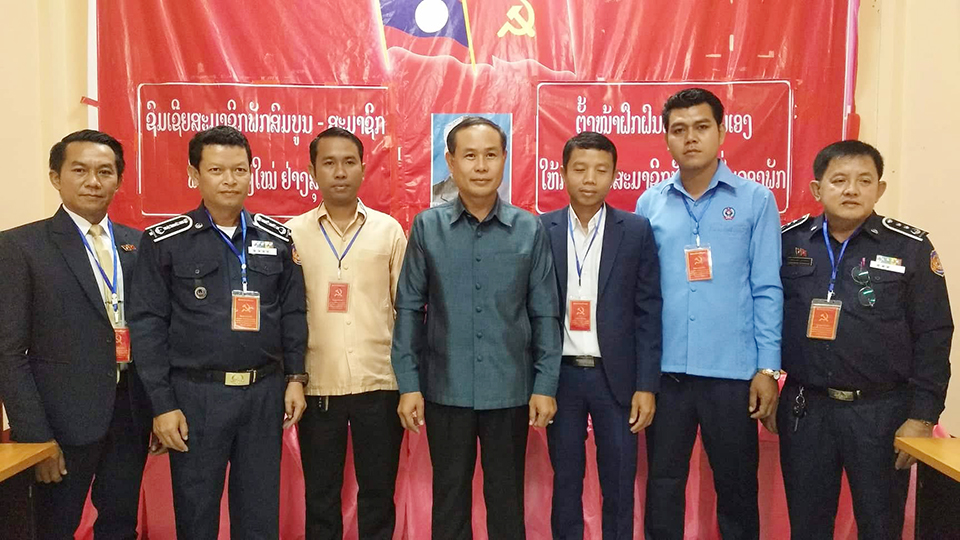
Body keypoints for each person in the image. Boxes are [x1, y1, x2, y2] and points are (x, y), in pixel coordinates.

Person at [128, 125, 309, 540]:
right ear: (195, 175)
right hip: (196, 396)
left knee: (259, 517)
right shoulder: (165, 241)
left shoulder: (278, 239)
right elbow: (148, 326)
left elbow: (294, 312)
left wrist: (296, 378)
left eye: (239, 169)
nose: (230, 179)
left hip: (263, 393)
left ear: (251, 173)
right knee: (196, 516)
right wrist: (162, 404)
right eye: (216, 170)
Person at [391, 115, 562, 540]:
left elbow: (545, 314)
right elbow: (409, 309)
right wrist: (409, 385)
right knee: (449, 501)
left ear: (504, 159)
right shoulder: (427, 227)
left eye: (490, 155)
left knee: (507, 502)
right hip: (445, 389)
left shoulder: (529, 228)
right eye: (469, 156)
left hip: (511, 389)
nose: (481, 166)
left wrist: (545, 384)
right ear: (450, 163)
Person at [775, 140, 953, 540]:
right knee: (807, 526)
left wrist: (923, 417)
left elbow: (934, 334)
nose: (851, 190)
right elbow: (763, 314)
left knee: (879, 526)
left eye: (864, 180)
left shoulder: (910, 247)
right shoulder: (789, 242)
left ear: (880, 188)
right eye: (839, 180)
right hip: (807, 407)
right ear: (817, 189)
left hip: (882, 412)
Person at [634, 88, 783, 540]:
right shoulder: (650, 203)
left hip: (732, 375)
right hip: (668, 375)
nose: (691, 138)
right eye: (679, 129)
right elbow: (642, 295)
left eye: (702, 127)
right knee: (663, 487)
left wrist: (767, 369)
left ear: (722, 131)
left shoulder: (756, 200)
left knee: (736, 488)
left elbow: (767, 288)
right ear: (666, 138)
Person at [0, 129, 152, 540]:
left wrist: (156, 409)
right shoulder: (20, 247)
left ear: (119, 180)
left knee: (120, 526)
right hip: (61, 424)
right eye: (80, 170)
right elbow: (9, 353)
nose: (93, 181)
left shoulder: (138, 244)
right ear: (56, 177)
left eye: (105, 171)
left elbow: (152, 333)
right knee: (53, 528)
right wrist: (37, 440)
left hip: (129, 416)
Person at [286, 127, 407, 540]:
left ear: (363, 168)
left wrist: (410, 382)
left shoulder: (388, 231)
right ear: (312, 171)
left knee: (378, 494)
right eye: (329, 163)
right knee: (321, 497)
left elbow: (406, 309)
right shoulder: (292, 233)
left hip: (380, 383)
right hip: (318, 384)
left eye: (349, 162)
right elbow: (287, 315)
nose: (340, 172)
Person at [541, 131, 662, 540]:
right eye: (579, 169)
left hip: (618, 380)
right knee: (565, 484)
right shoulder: (542, 229)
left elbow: (648, 312)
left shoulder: (636, 230)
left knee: (619, 484)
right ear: (563, 173)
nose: (590, 179)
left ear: (614, 175)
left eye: (601, 170)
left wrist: (646, 385)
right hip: (561, 377)